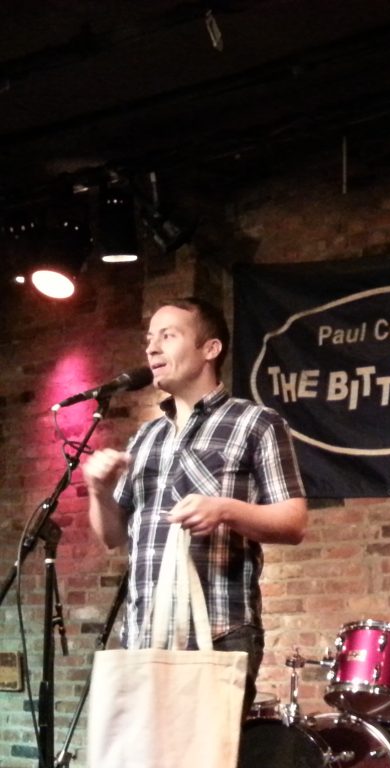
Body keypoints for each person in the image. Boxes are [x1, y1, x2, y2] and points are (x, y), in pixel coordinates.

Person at [83, 296, 308, 716]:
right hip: (143, 636)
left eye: (167, 336)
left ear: (210, 349)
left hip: (220, 635)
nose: (151, 349)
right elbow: (112, 536)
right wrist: (98, 489)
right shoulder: (144, 438)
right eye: (150, 339)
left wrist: (226, 510)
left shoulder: (256, 423)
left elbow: (293, 522)